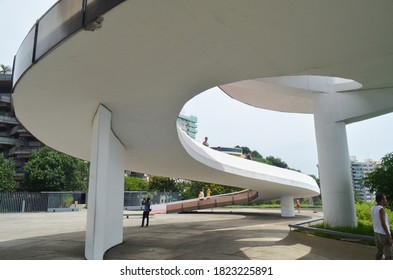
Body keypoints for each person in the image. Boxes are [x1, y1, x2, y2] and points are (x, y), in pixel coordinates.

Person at [371, 194, 392, 259]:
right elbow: (383, 223)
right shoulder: (381, 209)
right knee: (388, 255)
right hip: (383, 234)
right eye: (385, 199)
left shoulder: (373, 208)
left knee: (379, 253)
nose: (386, 200)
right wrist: (389, 237)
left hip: (376, 232)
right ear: (381, 200)